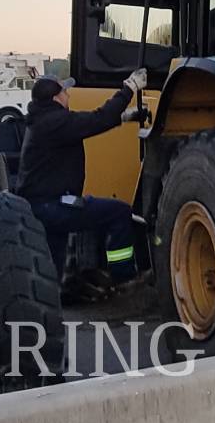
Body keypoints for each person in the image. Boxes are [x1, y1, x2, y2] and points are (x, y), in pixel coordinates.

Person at [16, 71, 144, 281]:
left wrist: (122, 117)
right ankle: (124, 277)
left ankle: (51, 299)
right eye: (65, 91)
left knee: (52, 266)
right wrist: (129, 88)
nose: (69, 95)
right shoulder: (55, 122)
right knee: (119, 212)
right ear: (56, 98)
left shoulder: (43, 120)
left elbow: (86, 122)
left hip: (42, 205)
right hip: (53, 207)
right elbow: (97, 119)